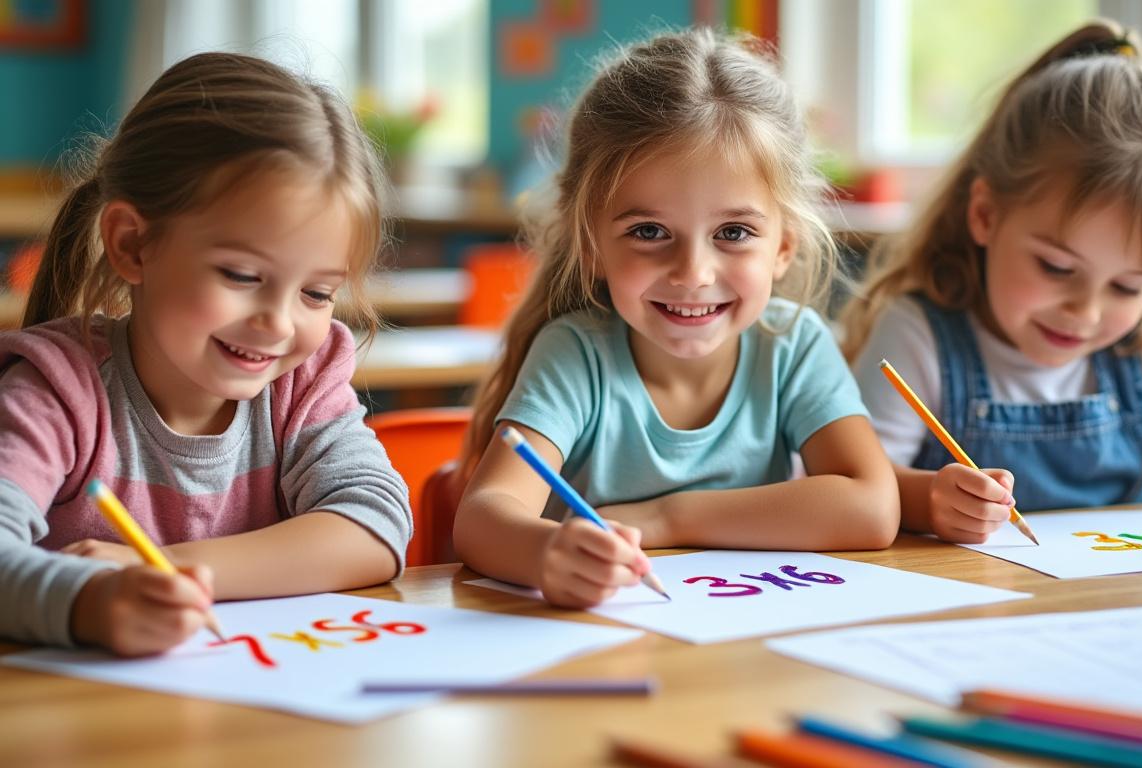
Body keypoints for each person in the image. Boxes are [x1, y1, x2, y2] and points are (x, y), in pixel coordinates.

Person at [452, 29, 898, 608]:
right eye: (649, 232)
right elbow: (483, 519)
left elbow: (870, 507)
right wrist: (548, 555)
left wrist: (667, 517)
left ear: (783, 245)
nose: (693, 272)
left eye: (733, 233)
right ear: (590, 243)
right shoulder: (576, 354)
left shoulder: (793, 345)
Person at [843, 21, 1142, 547]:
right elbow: (857, 488)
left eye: (1128, 287)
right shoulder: (919, 335)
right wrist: (928, 500)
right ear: (985, 214)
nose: (1087, 312)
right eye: (1056, 268)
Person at [0, 53, 412, 655]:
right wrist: (89, 602)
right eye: (242, 275)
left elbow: (374, 527)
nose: (277, 322)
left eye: (317, 293)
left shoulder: (302, 381)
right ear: (133, 245)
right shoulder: (59, 390)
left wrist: (167, 569)